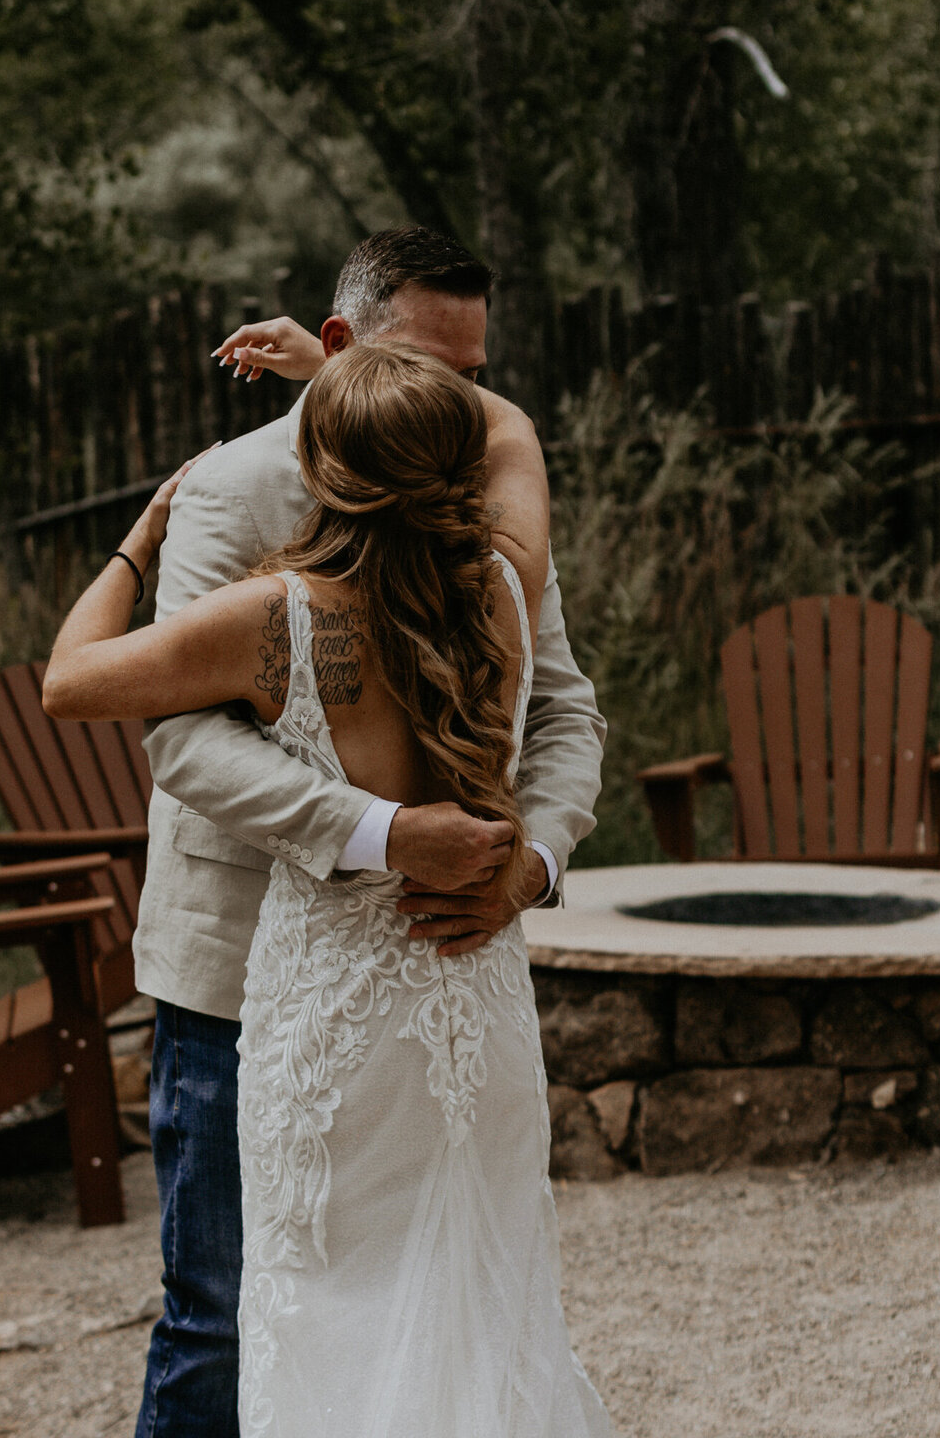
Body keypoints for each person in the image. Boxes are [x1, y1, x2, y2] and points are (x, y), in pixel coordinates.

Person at [57, 225, 603, 1437]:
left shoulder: (492, 529)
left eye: (475, 378)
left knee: (444, 1295)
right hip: (241, 968)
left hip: (455, 949)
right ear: (347, 347)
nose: (464, 406)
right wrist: (381, 832)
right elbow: (184, 741)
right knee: (219, 1319)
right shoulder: (232, 489)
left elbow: (563, 712)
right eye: (434, 375)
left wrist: (533, 861)